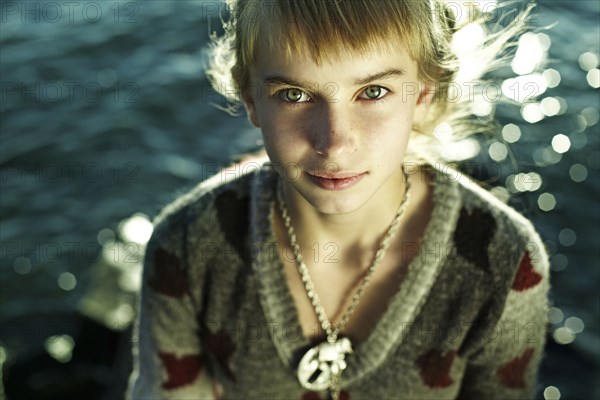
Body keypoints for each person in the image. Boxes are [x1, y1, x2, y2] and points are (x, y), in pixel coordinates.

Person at [127, 1, 550, 399]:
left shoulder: (505, 263)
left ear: (423, 92)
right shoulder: (185, 246)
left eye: (373, 92)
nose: (334, 143)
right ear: (250, 98)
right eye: (294, 95)